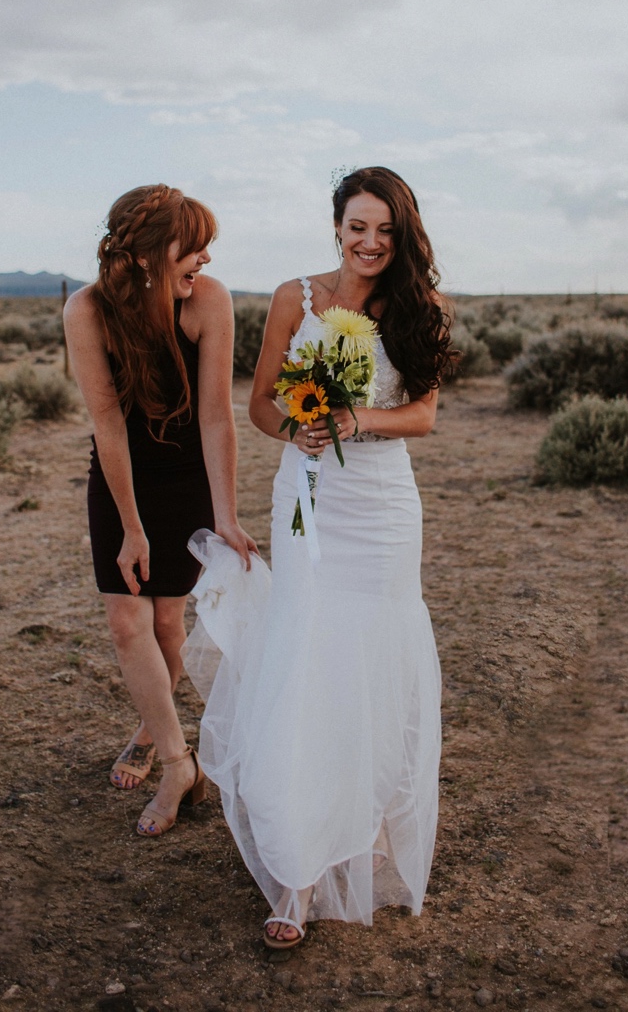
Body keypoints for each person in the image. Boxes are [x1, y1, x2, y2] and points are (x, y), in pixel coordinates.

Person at [186, 166, 455, 947]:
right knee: (306, 659)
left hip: (380, 510)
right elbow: (261, 401)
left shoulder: (419, 306)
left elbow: (425, 416)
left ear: (401, 236)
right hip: (308, 500)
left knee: (370, 661)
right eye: (356, 226)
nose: (369, 242)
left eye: (385, 231)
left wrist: (353, 418)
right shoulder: (293, 298)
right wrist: (296, 426)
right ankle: (297, 874)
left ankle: (363, 818)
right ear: (335, 226)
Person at [64, 183, 257, 837]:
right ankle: (179, 763)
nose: (203, 259)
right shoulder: (86, 311)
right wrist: (131, 526)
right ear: (148, 255)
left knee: (169, 626)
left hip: (185, 477)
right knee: (127, 621)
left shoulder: (209, 301)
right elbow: (108, 424)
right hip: (121, 478)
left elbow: (215, 417)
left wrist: (225, 514)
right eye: (191, 247)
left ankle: (149, 732)